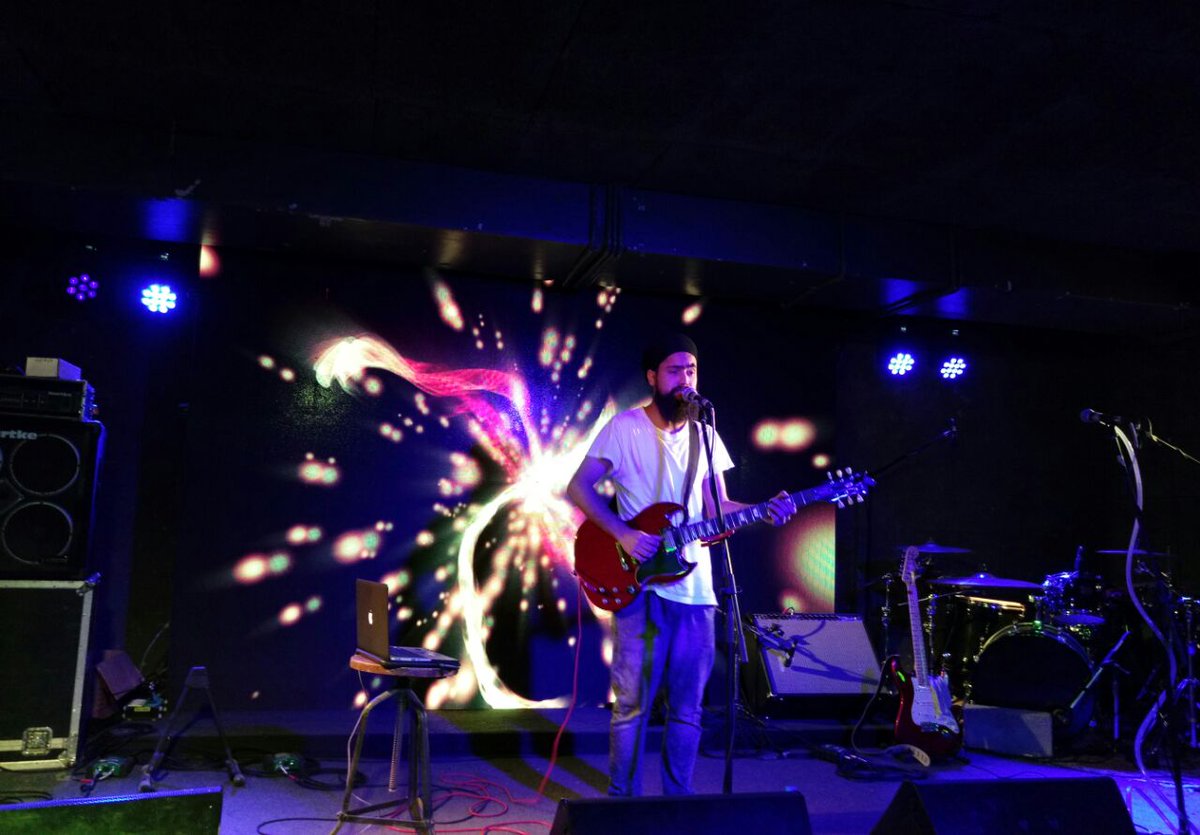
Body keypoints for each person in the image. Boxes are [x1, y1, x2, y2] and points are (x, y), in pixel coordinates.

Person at [567, 333, 796, 796]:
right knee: (631, 705)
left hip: (696, 591)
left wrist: (763, 510)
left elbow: (716, 507)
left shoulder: (705, 434)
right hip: (641, 588)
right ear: (652, 377)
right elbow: (578, 487)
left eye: (691, 370)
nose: (686, 379)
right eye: (675, 370)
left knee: (689, 708)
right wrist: (623, 533)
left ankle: (678, 802)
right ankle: (622, 803)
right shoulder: (623, 428)